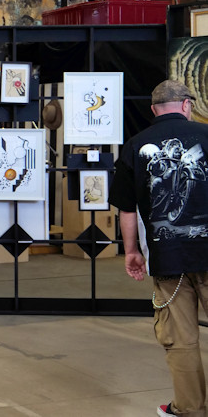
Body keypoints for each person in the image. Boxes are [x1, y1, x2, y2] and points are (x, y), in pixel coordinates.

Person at [107, 80, 208, 417]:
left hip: (168, 261)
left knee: (181, 341)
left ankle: (189, 409)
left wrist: (132, 251)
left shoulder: (135, 145)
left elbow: (126, 209)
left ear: (154, 109)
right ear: (186, 105)